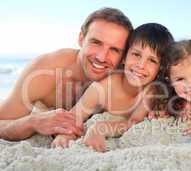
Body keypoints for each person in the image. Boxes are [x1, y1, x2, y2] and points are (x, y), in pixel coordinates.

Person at [0, 7, 133, 141]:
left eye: (115, 50)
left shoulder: (127, 77)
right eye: (96, 42)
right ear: (81, 39)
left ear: (123, 57)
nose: (102, 57)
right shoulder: (45, 71)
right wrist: (32, 122)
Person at [51, 23, 174, 151]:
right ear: (124, 57)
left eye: (152, 60)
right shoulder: (104, 86)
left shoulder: (152, 90)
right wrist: (64, 135)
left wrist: (99, 128)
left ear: (160, 68)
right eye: (136, 54)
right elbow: (75, 116)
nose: (141, 65)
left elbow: (133, 122)